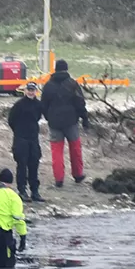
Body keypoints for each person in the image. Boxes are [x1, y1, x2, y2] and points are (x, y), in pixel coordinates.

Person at [40, 59, 89, 187]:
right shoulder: (72, 84)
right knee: (75, 149)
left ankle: (59, 179)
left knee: (56, 151)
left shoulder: (48, 85)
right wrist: (84, 118)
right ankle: (78, 175)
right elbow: (80, 103)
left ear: (55, 70)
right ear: (66, 69)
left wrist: (49, 117)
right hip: (71, 121)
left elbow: (43, 105)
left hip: (54, 122)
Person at [8, 82, 46, 202]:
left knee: (34, 164)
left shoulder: (39, 104)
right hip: (21, 139)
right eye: (29, 90)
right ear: (25, 91)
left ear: (36, 91)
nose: (30, 92)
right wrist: (19, 131)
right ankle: (22, 190)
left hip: (33, 139)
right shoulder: (19, 105)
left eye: (33, 90)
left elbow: (39, 117)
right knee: (22, 165)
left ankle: (35, 191)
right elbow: (11, 120)